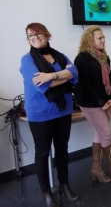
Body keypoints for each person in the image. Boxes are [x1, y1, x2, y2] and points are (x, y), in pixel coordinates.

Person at [20, 23, 79, 207]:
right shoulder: (27, 59)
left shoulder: (59, 56)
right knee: (43, 152)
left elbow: (75, 73)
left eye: (38, 34)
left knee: (62, 148)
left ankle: (64, 184)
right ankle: (45, 192)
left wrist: (50, 76)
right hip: (40, 113)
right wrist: (62, 75)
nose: (35, 37)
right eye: (30, 35)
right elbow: (40, 85)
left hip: (63, 110)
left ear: (47, 35)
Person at [74, 25, 111, 183]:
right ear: (90, 40)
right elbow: (86, 85)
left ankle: (96, 168)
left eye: (103, 38)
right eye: (99, 38)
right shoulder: (82, 58)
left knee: (100, 134)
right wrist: (100, 102)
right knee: (107, 134)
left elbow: (109, 79)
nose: (103, 40)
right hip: (90, 103)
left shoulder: (104, 56)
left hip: (105, 102)